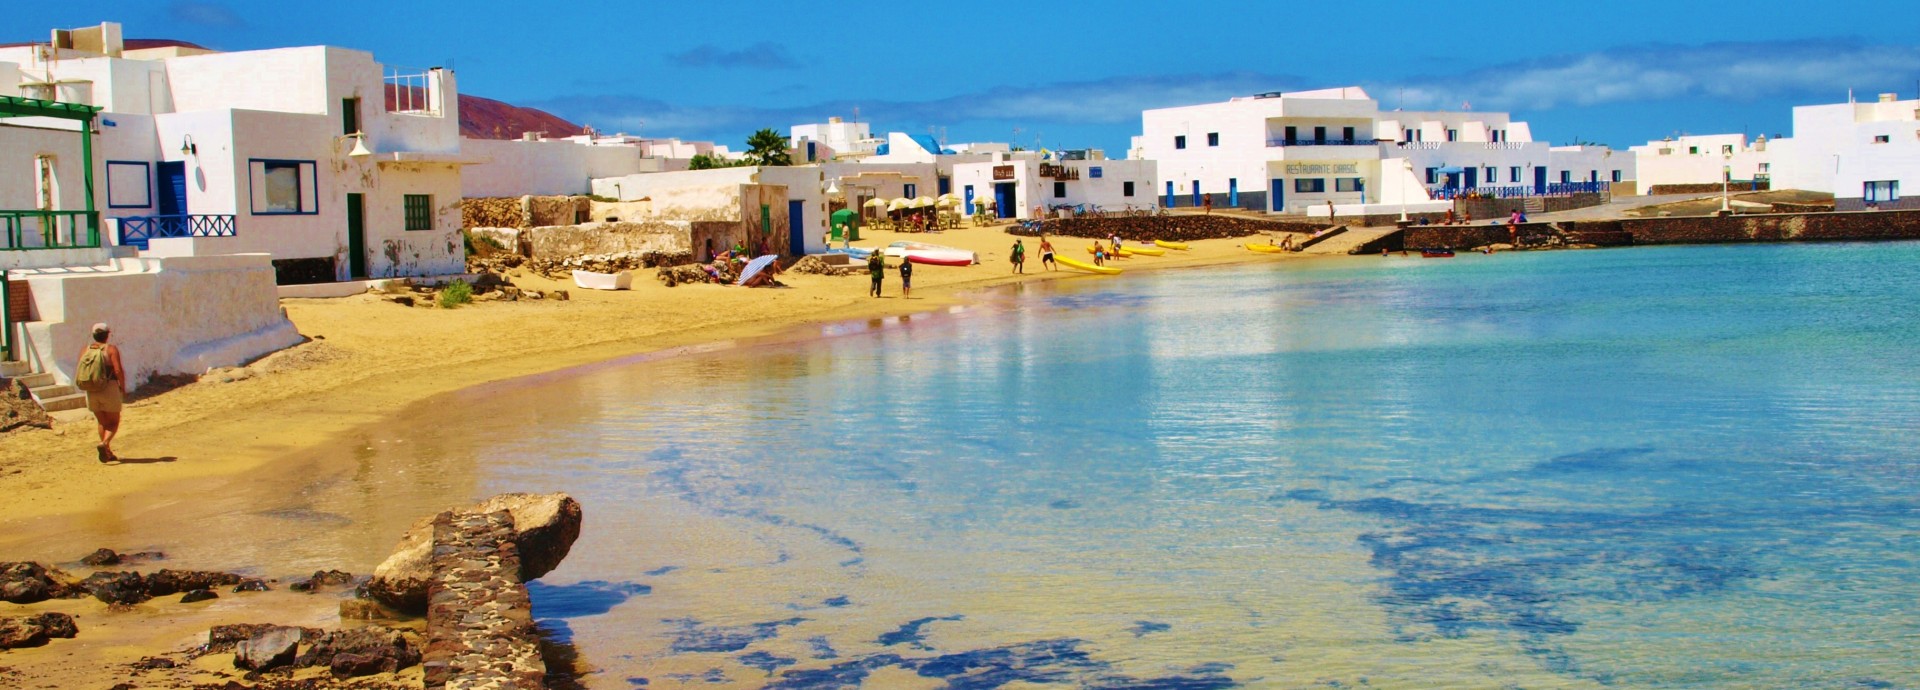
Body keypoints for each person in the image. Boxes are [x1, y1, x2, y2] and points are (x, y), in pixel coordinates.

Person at [75, 323, 125, 463]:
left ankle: (107, 452)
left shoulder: (85, 349)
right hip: (108, 387)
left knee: (102, 421)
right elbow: (118, 370)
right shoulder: (111, 349)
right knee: (114, 421)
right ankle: (104, 443)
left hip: (91, 389)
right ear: (107, 334)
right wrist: (122, 386)